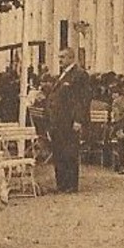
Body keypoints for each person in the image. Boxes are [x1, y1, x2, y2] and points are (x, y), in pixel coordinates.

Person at [46, 47, 90, 193]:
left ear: (71, 58)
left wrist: (78, 119)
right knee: (59, 152)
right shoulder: (62, 75)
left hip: (69, 120)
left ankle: (71, 184)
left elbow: (82, 99)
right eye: (59, 57)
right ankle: (61, 184)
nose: (60, 60)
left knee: (70, 152)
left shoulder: (79, 75)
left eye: (63, 57)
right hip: (58, 121)